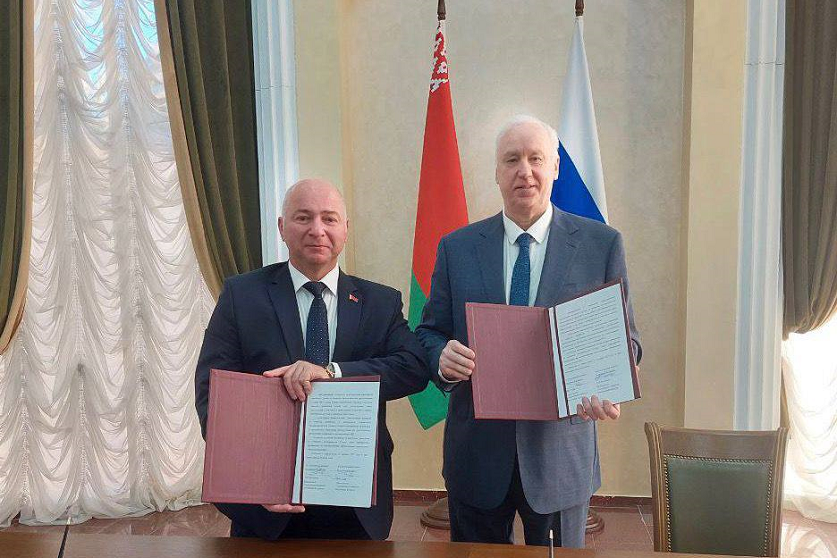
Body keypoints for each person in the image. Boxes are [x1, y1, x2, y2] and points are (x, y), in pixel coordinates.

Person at [416, 115, 642, 547]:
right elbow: (428, 332)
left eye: (536, 159)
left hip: (561, 455)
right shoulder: (457, 248)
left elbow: (626, 341)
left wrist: (610, 383)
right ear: (497, 172)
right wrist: (441, 358)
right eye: (511, 160)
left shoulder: (601, 245)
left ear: (555, 167)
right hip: (477, 455)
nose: (525, 171)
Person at [195, 178, 430, 541]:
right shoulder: (242, 295)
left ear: (345, 229)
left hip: (354, 501)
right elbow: (212, 392)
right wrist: (250, 481)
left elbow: (414, 367)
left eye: (329, 218)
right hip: (266, 503)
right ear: (282, 227)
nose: (317, 230)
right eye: (303, 217)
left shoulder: (380, 302)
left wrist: (332, 373)